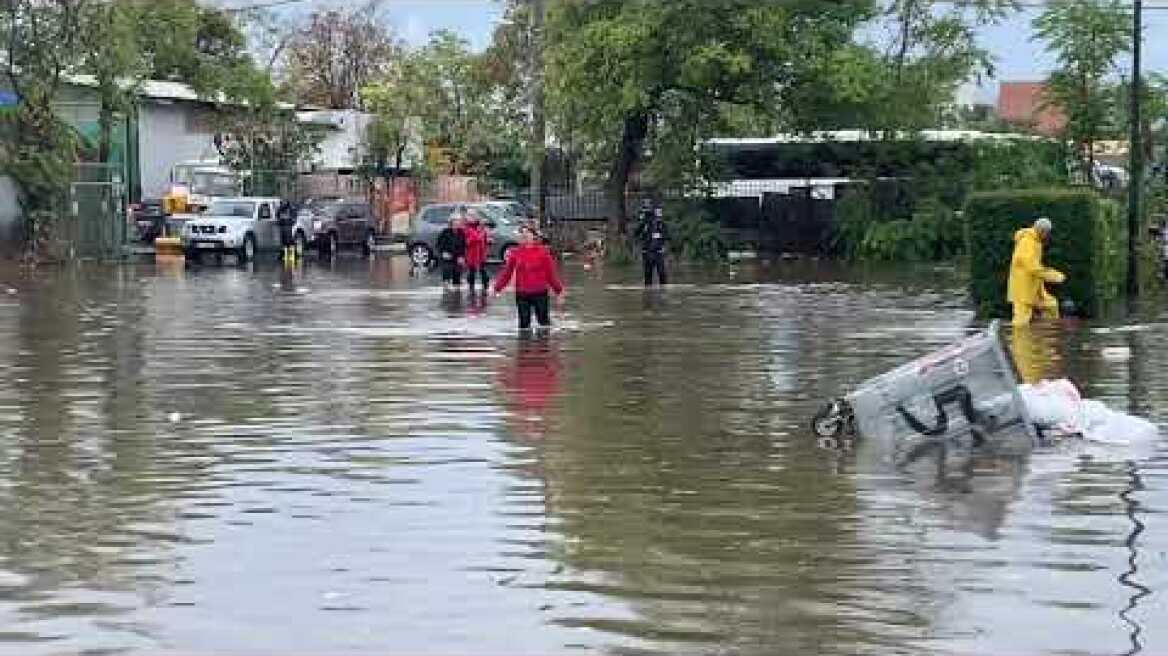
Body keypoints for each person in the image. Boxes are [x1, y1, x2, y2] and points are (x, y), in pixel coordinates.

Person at [492, 223, 565, 331]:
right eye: (522, 233)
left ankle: (544, 340)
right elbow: (507, 273)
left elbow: (550, 274)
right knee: (524, 325)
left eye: (527, 232)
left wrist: (559, 291)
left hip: (540, 292)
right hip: (522, 293)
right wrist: (496, 288)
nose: (524, 235)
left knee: (543, 323)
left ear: (534, 236)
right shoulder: (515, 253)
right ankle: (524, 341)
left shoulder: (543, 252)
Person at [1007, 217, 1066, 326]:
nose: (1048, 236)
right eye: (1047, 233)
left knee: (1051, 305)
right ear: (1042, 231)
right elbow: (1031, 266)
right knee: (1021, 321)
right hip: (1023, 289)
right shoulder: (1027, 242)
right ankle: (1021, 336)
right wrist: (1052, 275)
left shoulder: (1035, 241)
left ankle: (1044, 330)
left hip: (1033, 286)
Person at [636, 205, 669, 286]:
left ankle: (663, 288)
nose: (659, 215)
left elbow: (666, 236)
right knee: (648, 274)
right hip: (647, 252)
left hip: (658, 252)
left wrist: (663, 246)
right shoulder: (645, 224)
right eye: (658, 213)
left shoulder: (662, 224)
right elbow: (637, 234)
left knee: (662, 273)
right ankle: (648, 289)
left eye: (660, 213)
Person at [435, 213, 467, 289]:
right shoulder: (445, 232)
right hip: (447, 256)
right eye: (455, 221)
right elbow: (438, 245)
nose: (457, 223)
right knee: (447, 270)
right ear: (451, 222)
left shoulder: (461, 233)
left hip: (457, 256)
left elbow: (464, 246)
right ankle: (446, 285)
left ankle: (456, 288)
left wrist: (462, 256)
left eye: (458, 221)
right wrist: (443, 253)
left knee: (457, 273)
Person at [463, 210, 491, 293]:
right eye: (470, 215)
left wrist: (487, 244)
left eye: (473, 215)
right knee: (472, 270)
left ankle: (486, 285)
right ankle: (471, 287)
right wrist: (477, 236)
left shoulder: (481, 226)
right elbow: (467, 240)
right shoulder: (466, 228)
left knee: (483, 269)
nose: (472, 217)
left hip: (481, 252)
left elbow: (485, 239)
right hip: (471, 253)